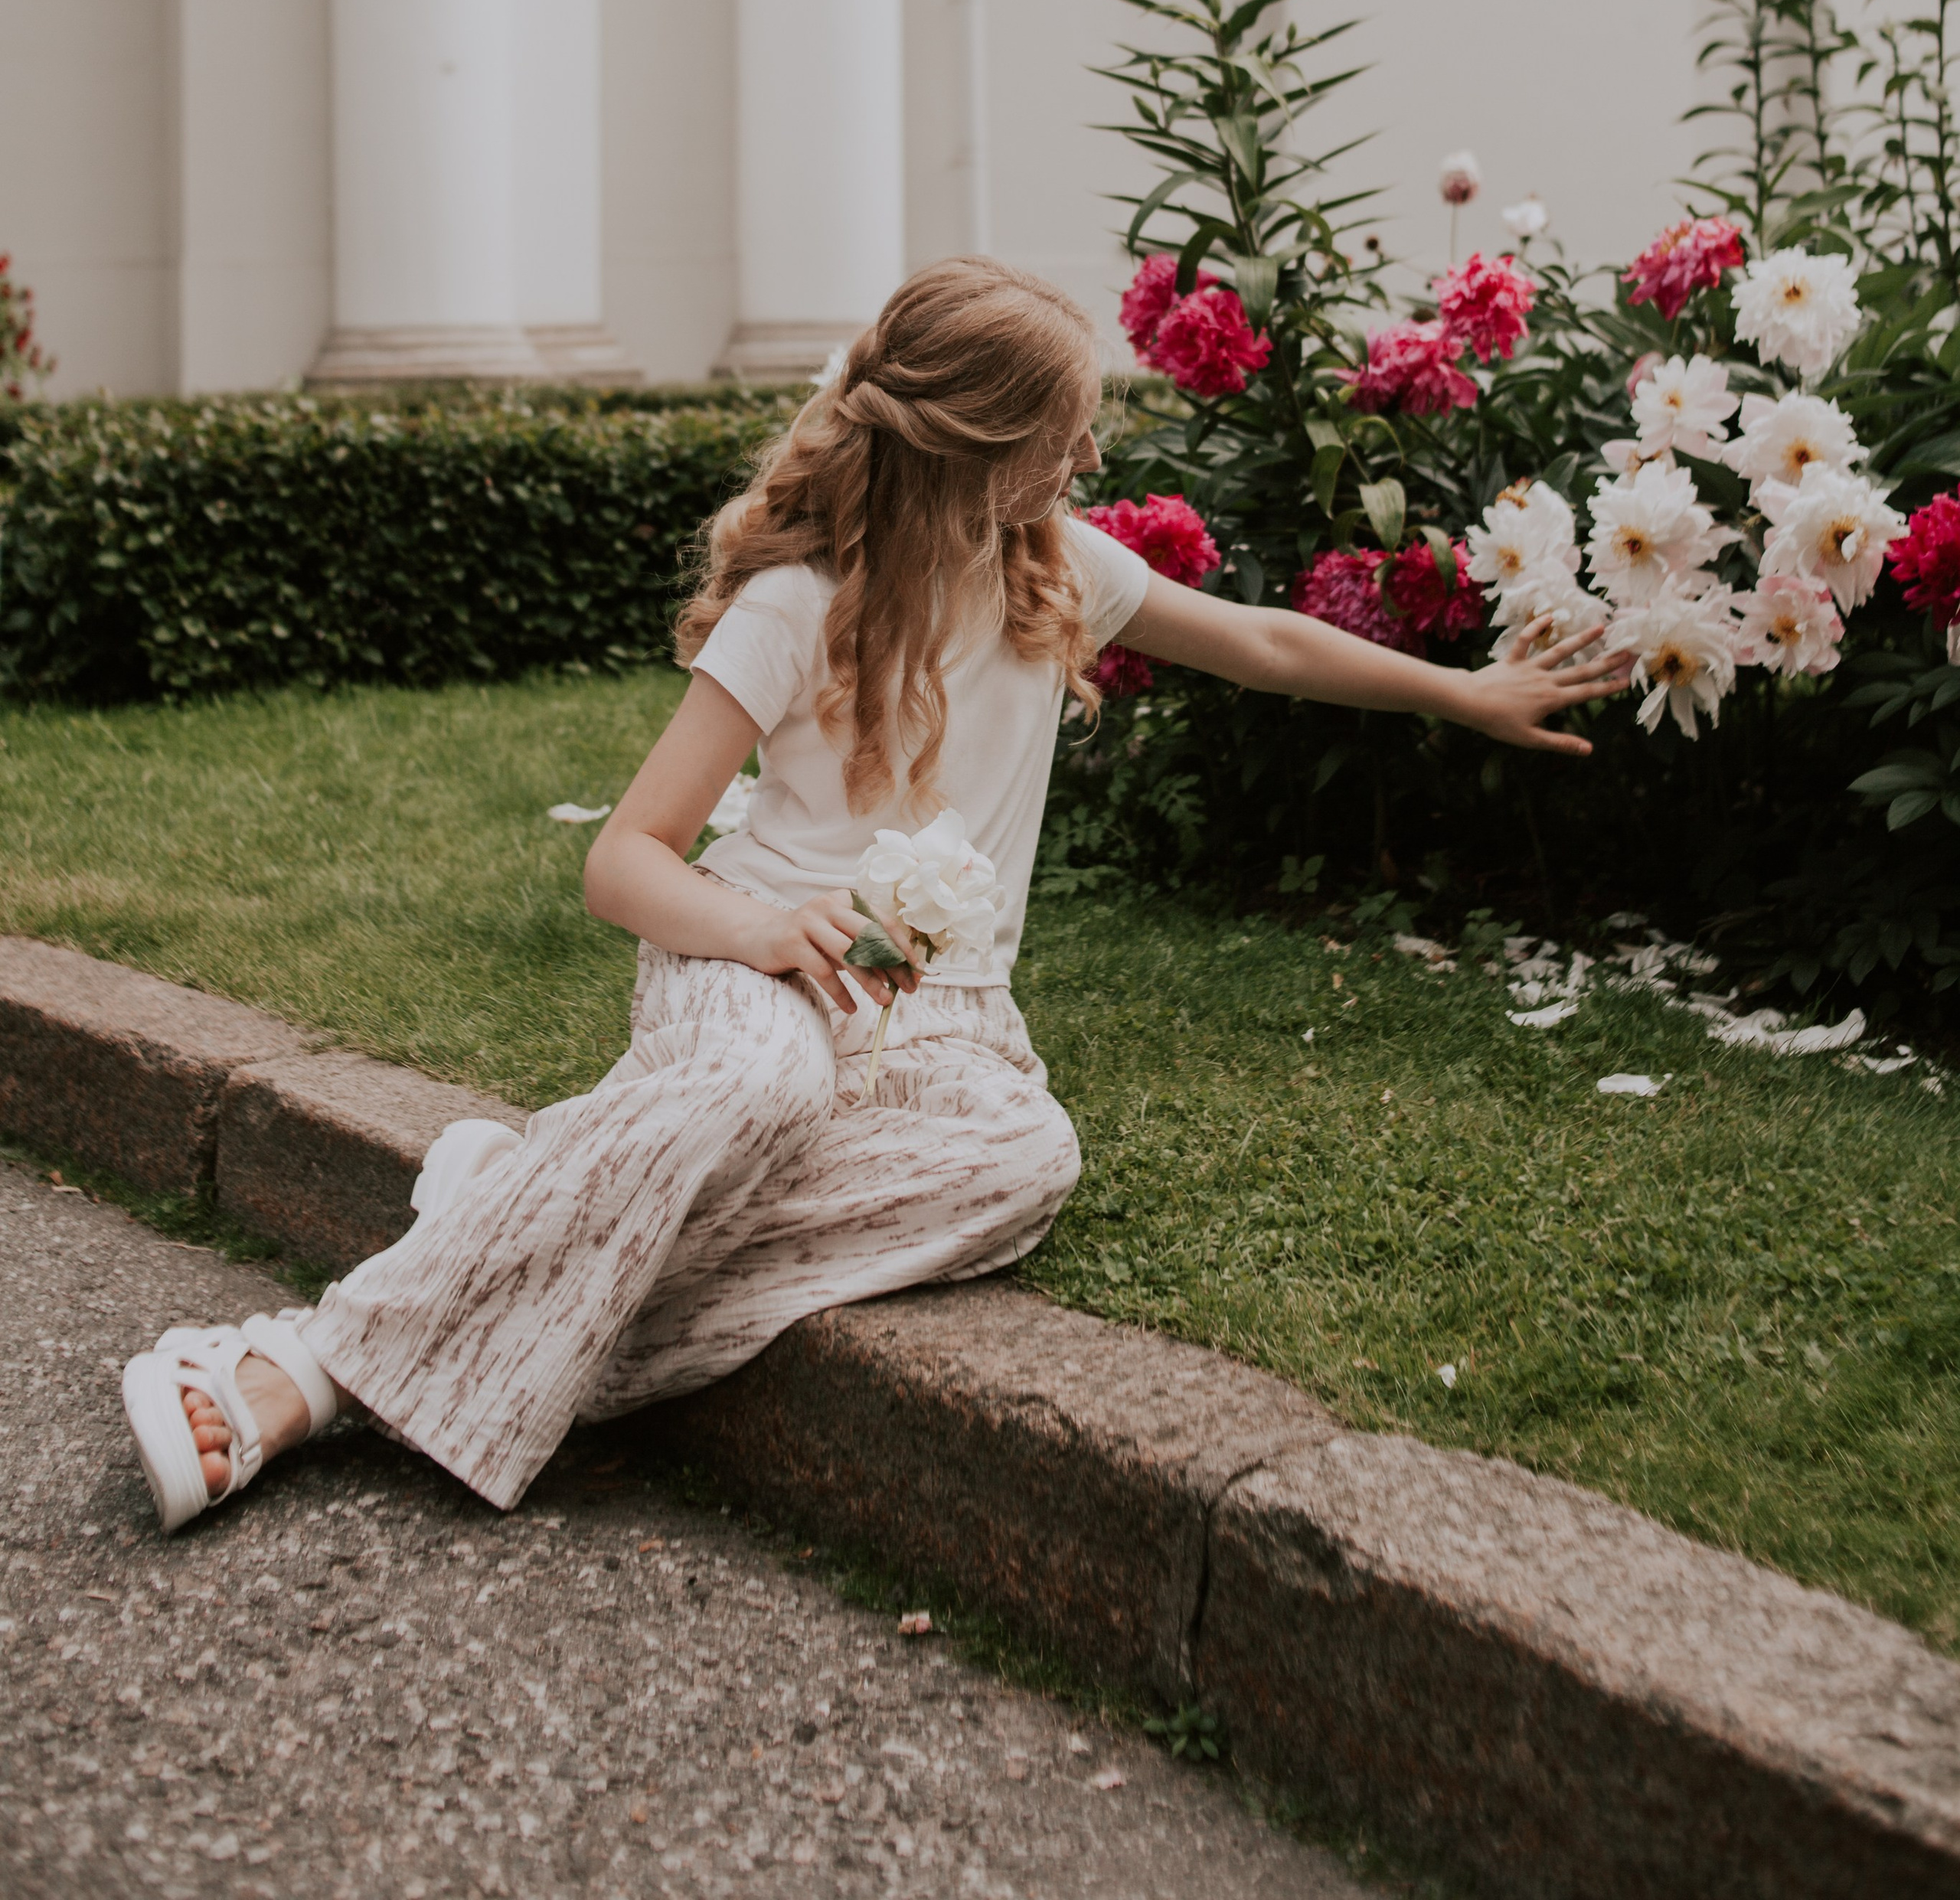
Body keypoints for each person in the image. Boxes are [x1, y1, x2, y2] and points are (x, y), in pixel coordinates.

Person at [120, 257, 1625, 1533]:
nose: (1084, 463)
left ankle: (516, 1208)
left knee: (1020, 1162)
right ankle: (305, 1365)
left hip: (941, 1022)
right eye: (1062, 435)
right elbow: (622, 860)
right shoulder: (792, 609)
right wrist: (768, 933)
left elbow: (1268, 645)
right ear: (971, 446)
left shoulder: (1057, 577)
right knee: (758, 1096)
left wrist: (1460, 693)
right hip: (745, 968)